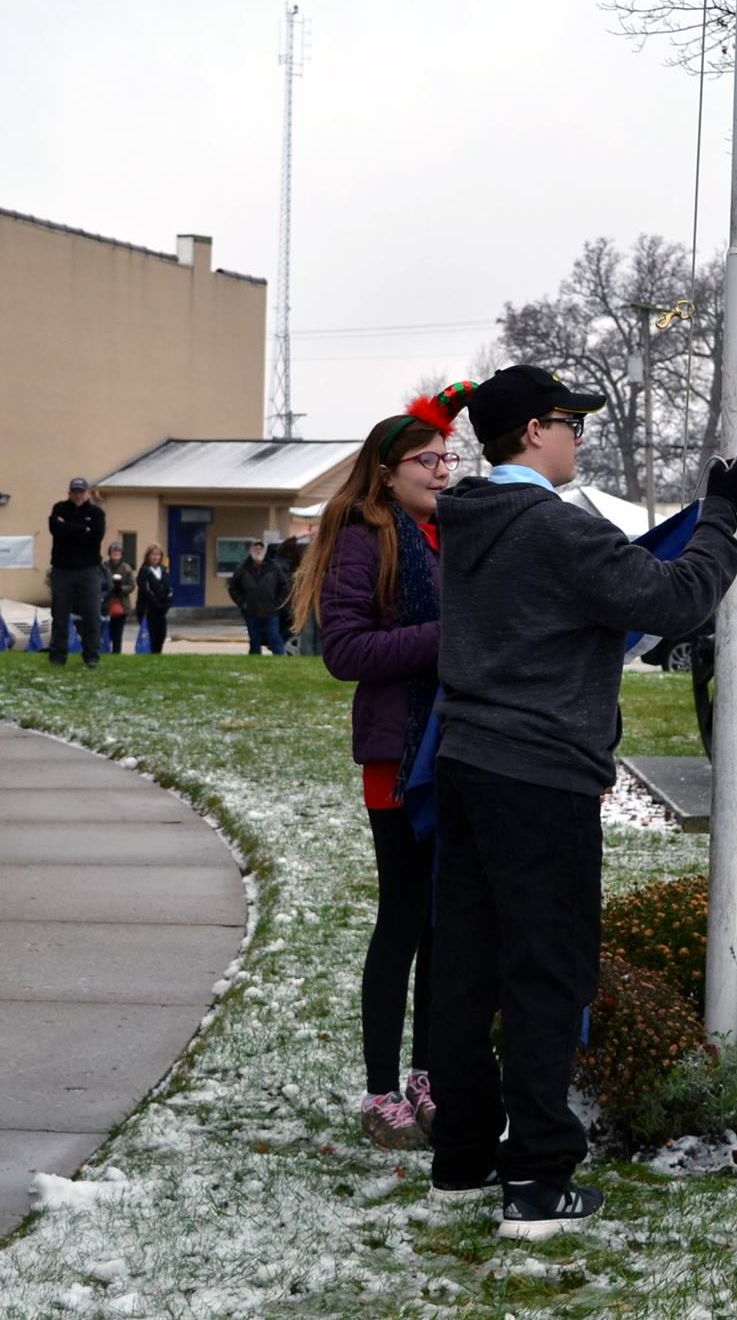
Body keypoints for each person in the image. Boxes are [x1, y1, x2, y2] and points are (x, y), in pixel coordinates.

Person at [428, 364, 737, 1238]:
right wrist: (721, 516)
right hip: (541, 778)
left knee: (463, 964)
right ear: (533, 432)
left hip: (466, 765)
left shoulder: (469, 519)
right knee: (545, 970)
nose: (580, 435)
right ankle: (536, 1177)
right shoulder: (551, 529)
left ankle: (461, 1157)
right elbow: (678, 598)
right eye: (570, 420)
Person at [292, 386, 467, 1151]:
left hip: (453, 748)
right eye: (429, 459)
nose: (442, 470)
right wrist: (447, 637)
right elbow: (346, 651)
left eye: (448, 457)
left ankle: (428, 1073)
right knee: (401, 918)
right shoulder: (366, 534)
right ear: (387, 471)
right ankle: (379, 1091)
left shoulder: (444, 534)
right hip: (398, 756)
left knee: (441, 922)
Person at [47, 476, 106, 668]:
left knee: (91, 615)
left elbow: (95, 538)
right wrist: (82, 529)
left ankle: (91, 656)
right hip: (62, 570)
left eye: (81, 492)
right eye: (75, 492)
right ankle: (57, 657)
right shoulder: (59, 508)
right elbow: (56, 530)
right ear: (69, 493)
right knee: (60, 616)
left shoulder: (96, 513)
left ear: (87, 493)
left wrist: (68, 528)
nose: (78, 495)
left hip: (88, 570)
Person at [228, 539, 291, 655]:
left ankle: (281, 659)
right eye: (255, 548)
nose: (258, 550)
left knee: (274, 637)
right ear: (251, 550)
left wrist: (278, 603)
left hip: (271, 611)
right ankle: (254, 661)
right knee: (254, 639)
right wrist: (243, 603)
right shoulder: (243, 568)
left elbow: (285, 586)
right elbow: (233, 588)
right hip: (251, 611)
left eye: (260, 548)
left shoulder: (274, 567)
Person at [135, 544, 172, 654]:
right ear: (148, 556)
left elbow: (168, 589)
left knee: (161, 635)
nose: (155, 557)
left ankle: (157, 656)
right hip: (148, 610)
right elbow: (145, 591)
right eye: (153, 555)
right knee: (150, 637)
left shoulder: (163, 570)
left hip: (161, 611)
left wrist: (167, 604)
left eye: (158, 555)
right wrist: (157, 604)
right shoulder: (144, 571)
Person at [103, 541, 136, 654]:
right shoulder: (104, 566)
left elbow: (132, 586)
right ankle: (104, 652)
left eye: (118, 552)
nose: (116, 554)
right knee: (106, 632)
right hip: (105, 604)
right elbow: (98, 582)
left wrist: (120, 588)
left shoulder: (126, 568)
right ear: (110, 553)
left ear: (122, 554)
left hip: (121, 605)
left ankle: (117, 654)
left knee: (118, 633)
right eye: (113, 551)